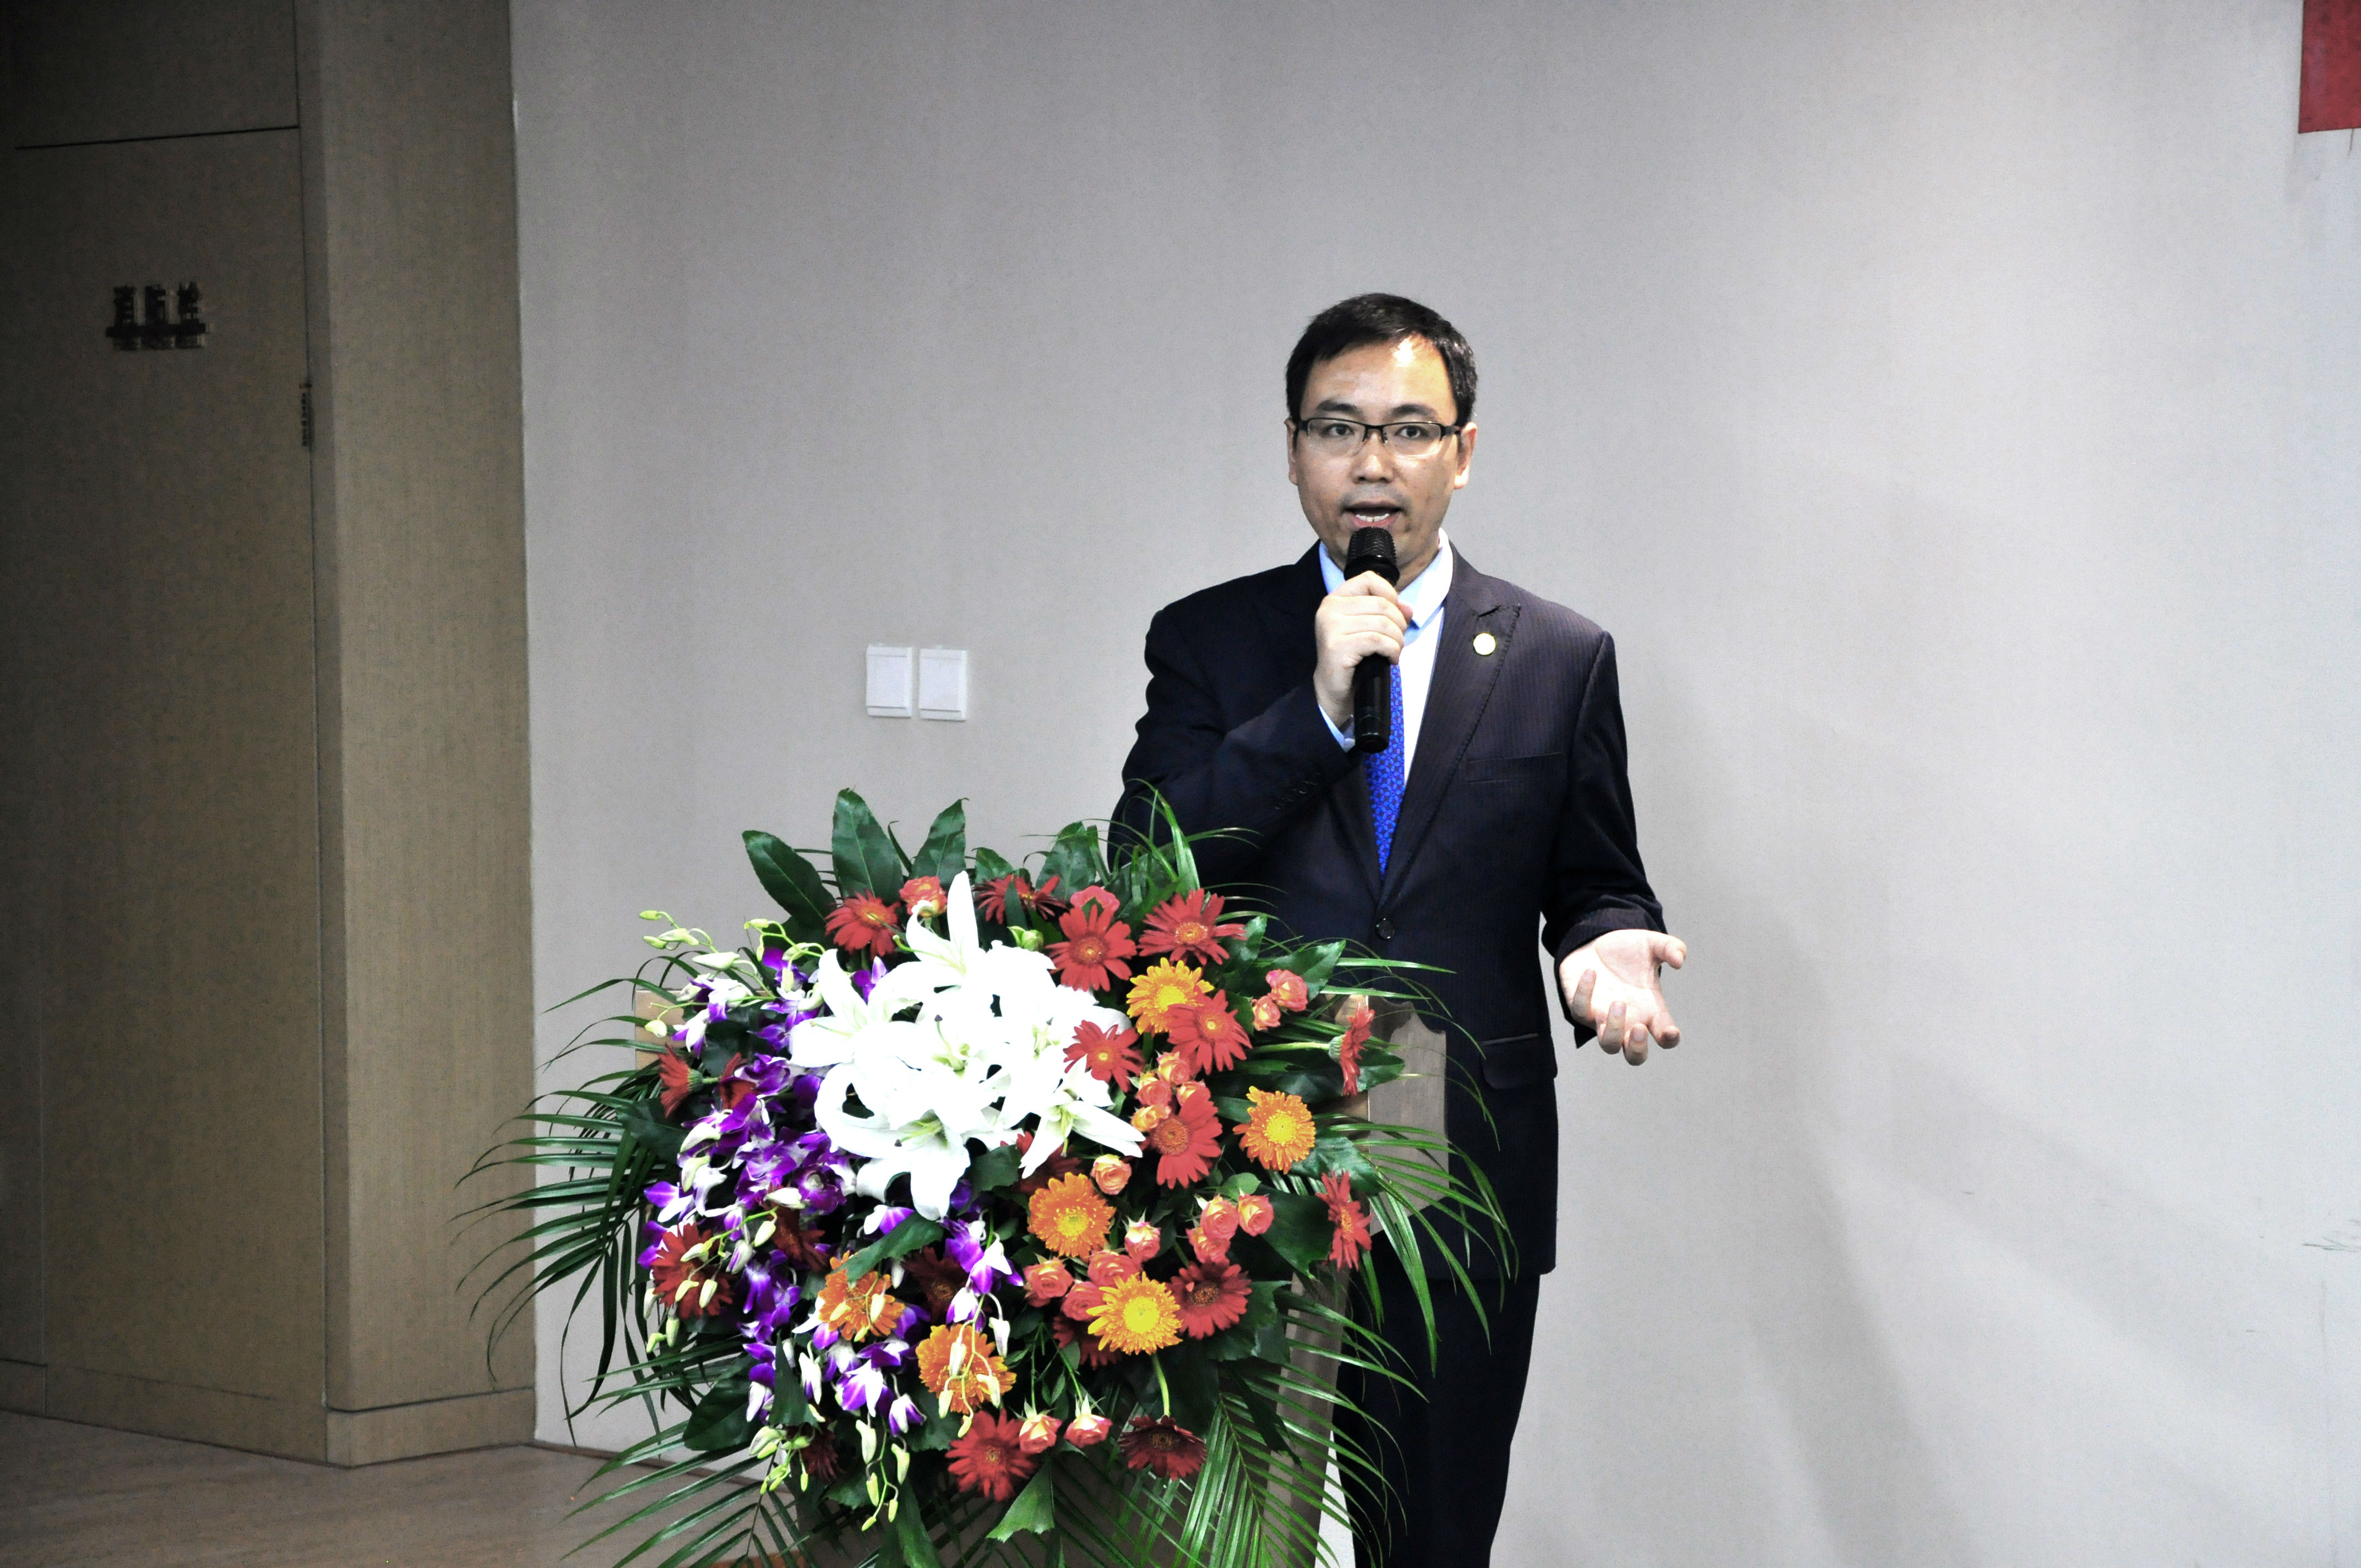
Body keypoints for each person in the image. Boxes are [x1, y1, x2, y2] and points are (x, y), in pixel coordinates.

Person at [1112, 293, 1688, 1567]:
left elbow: (1595, 880)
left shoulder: (1557, 656)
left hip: (1455, 1133)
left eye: (1408, 429)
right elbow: (1147, 865)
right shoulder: (1209, 640)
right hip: (1246, 1124)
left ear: (1461, 452)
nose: (1371, 460)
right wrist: (1317, 706)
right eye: (1338, 427)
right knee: (1230, 1527)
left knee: (1429, 1527)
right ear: (1291, 449)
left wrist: (1602, 945)